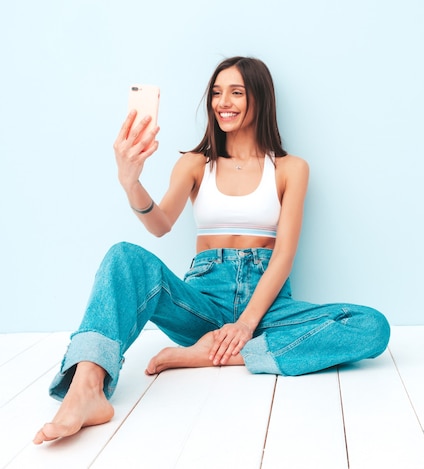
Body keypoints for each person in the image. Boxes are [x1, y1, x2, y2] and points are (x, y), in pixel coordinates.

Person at [33, 56, 390, 445]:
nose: (224, 101)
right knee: (123, 256)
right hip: (202, 302)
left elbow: (284, 254)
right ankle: (87, 390)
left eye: (236, 92)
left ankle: (220, 355)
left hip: (268, 306)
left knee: (372, 326)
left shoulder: (291, 168)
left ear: (260, 99)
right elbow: (161, 224)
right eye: (217, 93)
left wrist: (245, 326)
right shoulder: (194, 163)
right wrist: (129, 181)